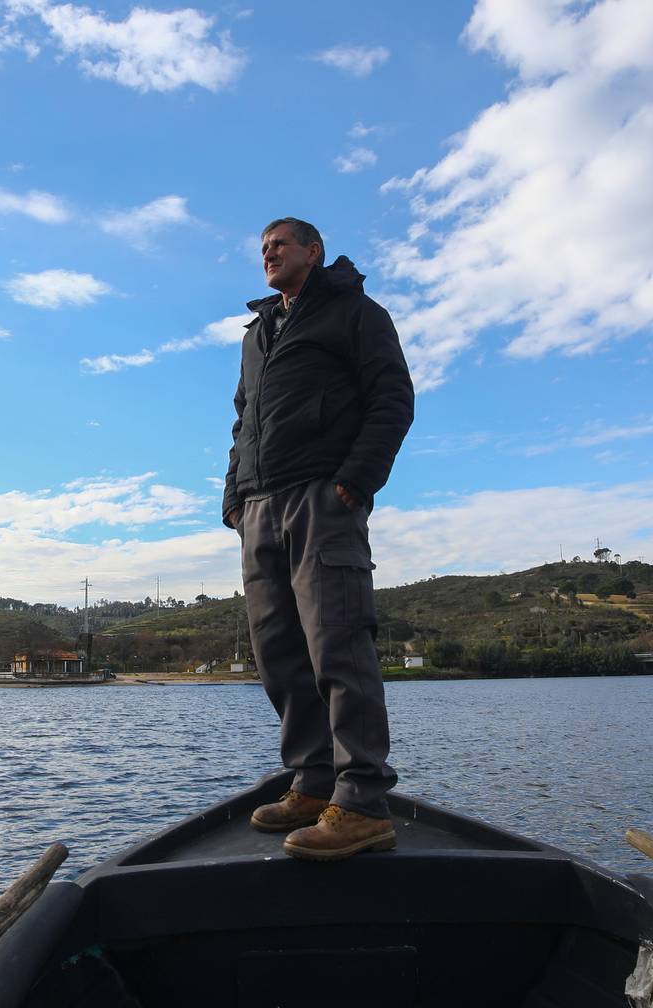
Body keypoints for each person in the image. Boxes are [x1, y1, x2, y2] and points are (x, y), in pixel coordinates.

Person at [223, 217, 414, 861]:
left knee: (337, 641)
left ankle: (361, 801)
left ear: (314, 250)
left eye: (279, 244)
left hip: (321, 498)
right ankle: (312, 780)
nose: (268, 254)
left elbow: (393, 399)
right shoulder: (258, 334)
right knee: (277, 650)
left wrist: (355, 482)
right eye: (262, 249)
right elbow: (243, 419)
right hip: (259, 506)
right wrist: (235, 500)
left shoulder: (355, 313)